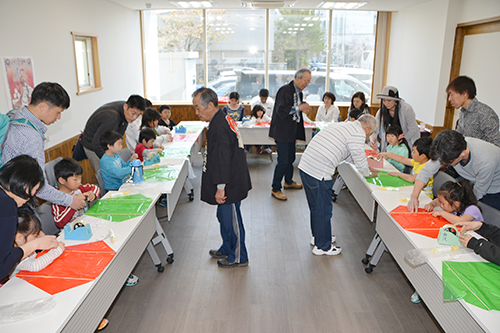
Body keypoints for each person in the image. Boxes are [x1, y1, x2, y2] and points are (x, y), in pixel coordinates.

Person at [298, 115, 378, 255]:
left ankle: (319, 236)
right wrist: (367, 173)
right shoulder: (358, 132)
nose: (368, 136)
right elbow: (358, 155)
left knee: (316, 207)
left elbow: (349, 155)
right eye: (370, 134)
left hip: (306, 166)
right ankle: (323, 246)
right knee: (324, 210)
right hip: (319, 172)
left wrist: (365, 166)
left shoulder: (345, 125)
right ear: (368, 129)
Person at [1, 82, 85, 211]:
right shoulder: (30, 136)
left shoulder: (15, 115)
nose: (59, 117)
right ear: (43, 106)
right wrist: (69, 200)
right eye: (58, 112)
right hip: (17, 200)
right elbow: (38, 186)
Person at [192, 87, 251, 268]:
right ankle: (227, 247)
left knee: (232, 220)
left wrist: (221, 187)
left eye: (197, 108)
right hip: (228, 180)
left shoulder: (220, 125)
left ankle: (240, 256)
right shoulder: (221, 119)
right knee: (223, 217)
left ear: (210, 105)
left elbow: (224, 159)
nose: (196, 112)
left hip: (230, 183)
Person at [408, 130, 500, 212]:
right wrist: (414, 196)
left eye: (448, 162)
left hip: (494, 189)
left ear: (462, 154)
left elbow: (477, 194)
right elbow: (426, 171)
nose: (443, 164)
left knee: (487, 216)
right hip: (475, 181)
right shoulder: (449, 147)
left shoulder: (486, 161)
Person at [0, 155, 59, 282]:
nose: (33, 195)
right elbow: (2, 266)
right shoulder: (7, 205)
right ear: (25, 184)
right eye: (35, 189)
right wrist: (35, 244)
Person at [269, 68, 312, 201]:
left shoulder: (298, 92)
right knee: (283, 161)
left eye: (309, 81)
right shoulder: (285, 90)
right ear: (297, 78)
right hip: (282, 132)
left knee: (291, 158)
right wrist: (300, 108)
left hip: (291, 131)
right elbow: (281, 111)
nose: (307, 84)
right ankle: (275, 188)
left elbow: (295, 113)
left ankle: (288, 181)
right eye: (305, 80)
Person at [81, 95, 146, 173]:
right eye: (133, 113)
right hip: (93, 145)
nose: (135, 117)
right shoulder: (111, 118)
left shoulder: (126, 114)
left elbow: (118, 136)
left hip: (105, 143)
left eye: (138, 115)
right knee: (107, 173)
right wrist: (109, 159)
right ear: (125, 107)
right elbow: (96, 144)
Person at [447, 76, 500, 147]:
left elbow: (495, 146)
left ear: (465, 93)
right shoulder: (463, 112)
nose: (449, 99)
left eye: (452, 94)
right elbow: (458, 138)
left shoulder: (485, 113)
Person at [51, 158, 101, 228]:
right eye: (75, 179)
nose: (79, 182)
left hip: (86, 222)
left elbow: (95, 187)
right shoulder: (57, 199)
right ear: (62, 180)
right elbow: (59, 222)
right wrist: (73, 203)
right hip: (72, 231)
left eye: (80, 178)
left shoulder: (78, 188)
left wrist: (93, 193)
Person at [372, 86, 419, 152]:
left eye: (389, 100)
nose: (386, 103)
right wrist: (373, 139)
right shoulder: (381, 111)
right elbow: (375, 128)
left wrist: (399, 140)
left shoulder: (407, 109)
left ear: (396, 100)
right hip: (390, 141)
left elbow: (412, 129)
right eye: (384, 101)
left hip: (405, 141)